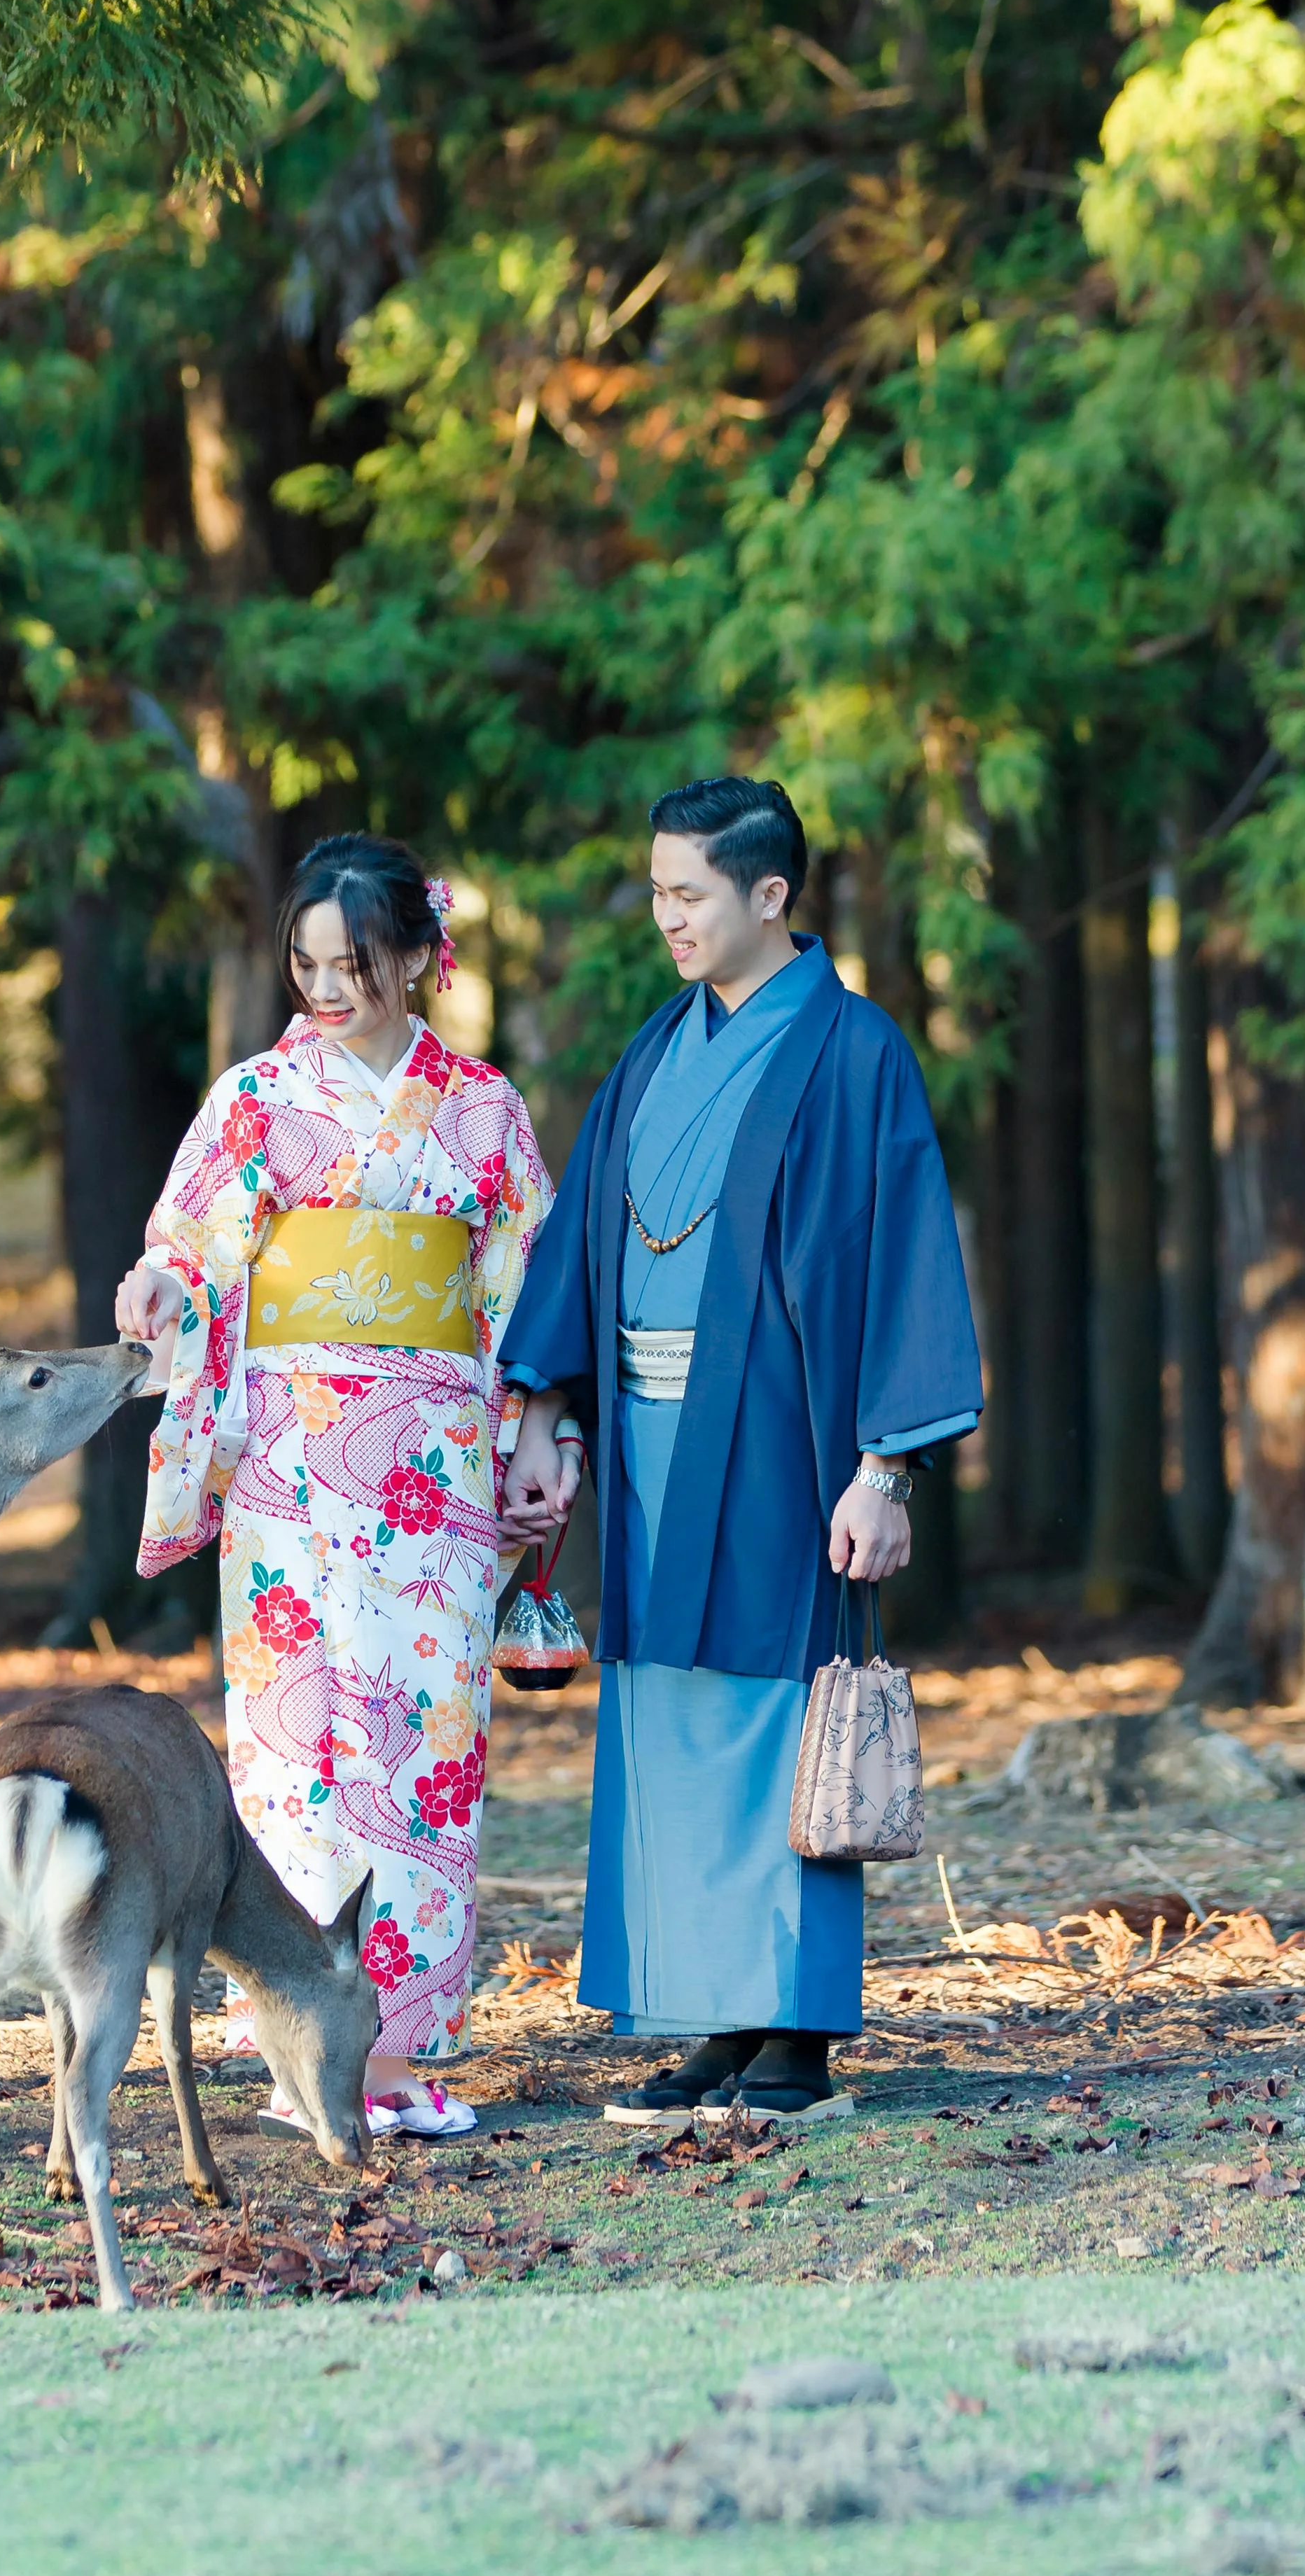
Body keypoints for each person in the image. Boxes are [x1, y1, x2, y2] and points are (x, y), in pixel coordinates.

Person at [494, 776, 985, 2120]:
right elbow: (579, 1237)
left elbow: (904, 1260)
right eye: (657, 891)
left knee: (782, 1715)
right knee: (668, 1714)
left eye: (688, 894)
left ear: (771, 896)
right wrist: (545, 1406)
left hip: (786, 1437)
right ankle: (711, 2018)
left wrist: (885, 1467)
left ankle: (796, 2038)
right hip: (653, 1443)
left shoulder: (856, 1051)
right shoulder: (655, 1051)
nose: (667, 918)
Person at [116, 835, 554, 2139]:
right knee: (295, 1753)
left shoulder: (483, 1109)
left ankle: (405, 2053)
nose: (325, 988)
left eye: (352, 964)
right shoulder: (253, 1100)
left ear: (421, 957)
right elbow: (189, 1251)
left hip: (435, 1467)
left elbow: (520, 1298)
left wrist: (537, 1429)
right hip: (293, 1471)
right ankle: (304, 2041)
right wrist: (160, 1291)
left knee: (426, 1747)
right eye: (305, 965)